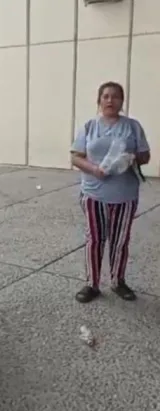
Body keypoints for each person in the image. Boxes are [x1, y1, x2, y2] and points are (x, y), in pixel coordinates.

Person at [71, 81, 150, 303]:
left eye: (115, 97)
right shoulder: (89, 126)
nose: (110, 100)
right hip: (94, 193)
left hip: (125, 195)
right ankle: (92, 284)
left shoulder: (133, 127)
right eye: (105, 96)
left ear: (122, 101)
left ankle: (118, 281)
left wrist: (132, 157)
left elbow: (145, 155)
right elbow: (76, 157)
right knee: (95, 239)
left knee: (120, 240)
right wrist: (95, 170)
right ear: (99, 100)